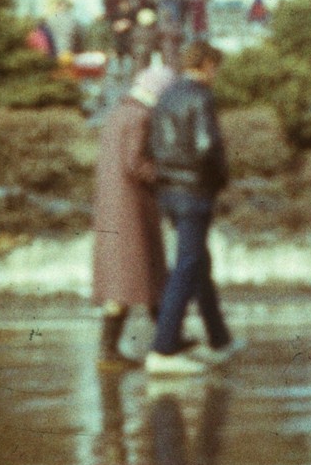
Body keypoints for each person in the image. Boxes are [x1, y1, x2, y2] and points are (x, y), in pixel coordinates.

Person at [145, 37, 235, 376]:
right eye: (216, 68)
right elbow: (205, 145)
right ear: (208, 65)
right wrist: (220, 177)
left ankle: (219, 338)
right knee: (188, 264)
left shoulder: (166, 95)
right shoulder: (201, 96)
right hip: (195, 189)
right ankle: (164, 347)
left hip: (168, 189)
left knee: (197, 261)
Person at [91, 62, 173, 366]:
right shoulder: (141, 117)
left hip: (112, 208)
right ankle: (168, 343)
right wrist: (167, 174)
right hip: (132, 207)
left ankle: (113, 349)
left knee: (125, 279)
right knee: (145, 274)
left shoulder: (119, 113)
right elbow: (135, 163)